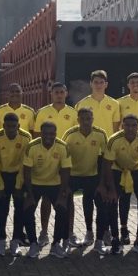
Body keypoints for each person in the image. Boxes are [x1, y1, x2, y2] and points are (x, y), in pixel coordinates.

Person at [100, 114, 138, 255]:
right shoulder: (114, 140)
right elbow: (107, 165)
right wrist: (111, 189)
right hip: (117, 169)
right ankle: (116, 238)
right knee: (113, 202)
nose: (130, 128)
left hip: (137, 169)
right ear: (122, 126)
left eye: (133, 125)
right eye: (127, 125)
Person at [32, 82, 77, 244]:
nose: (59, 94)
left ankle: (70, 232)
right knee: (46, 198)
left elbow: (75, 136)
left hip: (65, 159)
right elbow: (37, 136)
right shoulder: (43, 112)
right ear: (51, 94)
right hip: (47, 160)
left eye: (61, 92)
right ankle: (44, 232)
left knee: (67, 197)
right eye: (56, 92)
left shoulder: (72, 113)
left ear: (66, 93)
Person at [23, 122, 73, 258]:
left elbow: (65, 170)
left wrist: (63, 193)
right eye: (45, 133)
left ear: (56, 134)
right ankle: (33, 244)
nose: (48, 136)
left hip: (54, 183)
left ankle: (55, 244)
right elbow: (26, 171)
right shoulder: (32, 146)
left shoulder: (63, 147)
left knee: (62, 210)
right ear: (40, 133)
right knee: (27, 210)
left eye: (52, 133)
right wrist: (29, 194)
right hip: (35, 183)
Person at [61, 109, 107, 249]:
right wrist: (64, 183)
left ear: (92, 119)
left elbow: (106, 159)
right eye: (83, 119)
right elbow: (63, 157)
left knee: (95, 204)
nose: (86, 121)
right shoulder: (69, 134)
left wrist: (102, 183)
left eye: (88, 118)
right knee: (67, 204)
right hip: (73, 175)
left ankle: (95, 236)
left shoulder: (100, 134)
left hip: (92, 175)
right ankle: (69, 235)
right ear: (78, 120)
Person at [0, 113, 33, 254]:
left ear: (18, 126)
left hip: (18, 175)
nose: (10, 129)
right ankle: (1, 240)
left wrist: (19, 185)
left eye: (13, 126)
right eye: (8, 126)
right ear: (3, 126)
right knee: (1, 209)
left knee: (19, 209)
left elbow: (24, 163)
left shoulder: (26, 137)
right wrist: (0, 187)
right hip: (1, 175)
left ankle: (16, 240)